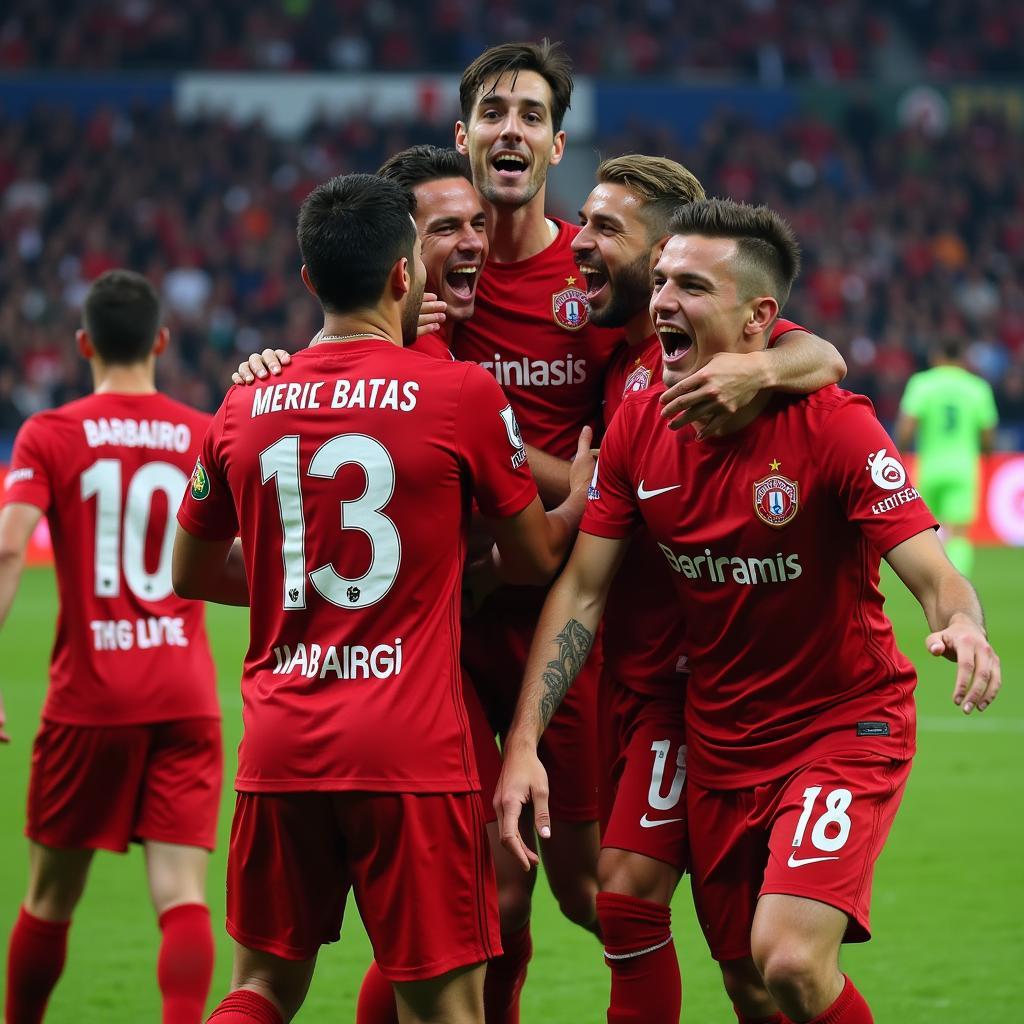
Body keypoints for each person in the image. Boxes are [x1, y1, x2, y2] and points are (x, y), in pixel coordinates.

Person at [496, 199, 999, 1024]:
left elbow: (934, 570)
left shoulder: (834, 428)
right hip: (720, 735)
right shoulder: (636, 425)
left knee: (793, 962)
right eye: (659, 281)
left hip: (843, 724)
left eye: (691, 286)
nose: (662, 301)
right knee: (748, 985)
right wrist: (523, 743)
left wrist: (964, 622)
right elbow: (582, 593)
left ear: (760, 318)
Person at [173, 173, 595, 1024]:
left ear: (307, 281)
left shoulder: (243, 403)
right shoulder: (460, 396)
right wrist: (586, 488)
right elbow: (533, 558)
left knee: (258, 988)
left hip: (282, 744)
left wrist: (295, 579)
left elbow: (190, 572)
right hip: (412, 753)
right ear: (406, 277)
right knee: (443, 1005)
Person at [573, 155, 845, 1023]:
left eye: (609, 232)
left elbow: (818, 352)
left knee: (756, 964)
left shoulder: (719, 335)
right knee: (675, 932)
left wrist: (762, 371)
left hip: (713, 688)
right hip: (630, 670)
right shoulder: (589, 339)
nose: (583, 248)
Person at [0, 270, 222, 1024]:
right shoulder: (201, 431)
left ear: (83, 344)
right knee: (183, 897)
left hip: (90, 697)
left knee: (50, 899)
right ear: (162, 340)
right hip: (186, 694)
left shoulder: (49, 434)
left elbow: (8, 550)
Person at [896, 337, 998, 578]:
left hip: (930, 467)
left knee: (924, 532)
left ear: (936, 356)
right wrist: (986, 454)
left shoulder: (922, 384)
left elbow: (907, 427)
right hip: (963, 468)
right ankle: (958, 583)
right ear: (962, 358)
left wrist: (899, 453)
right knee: (959, 534)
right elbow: (988, 433)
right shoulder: (977, 387)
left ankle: (929, 581)